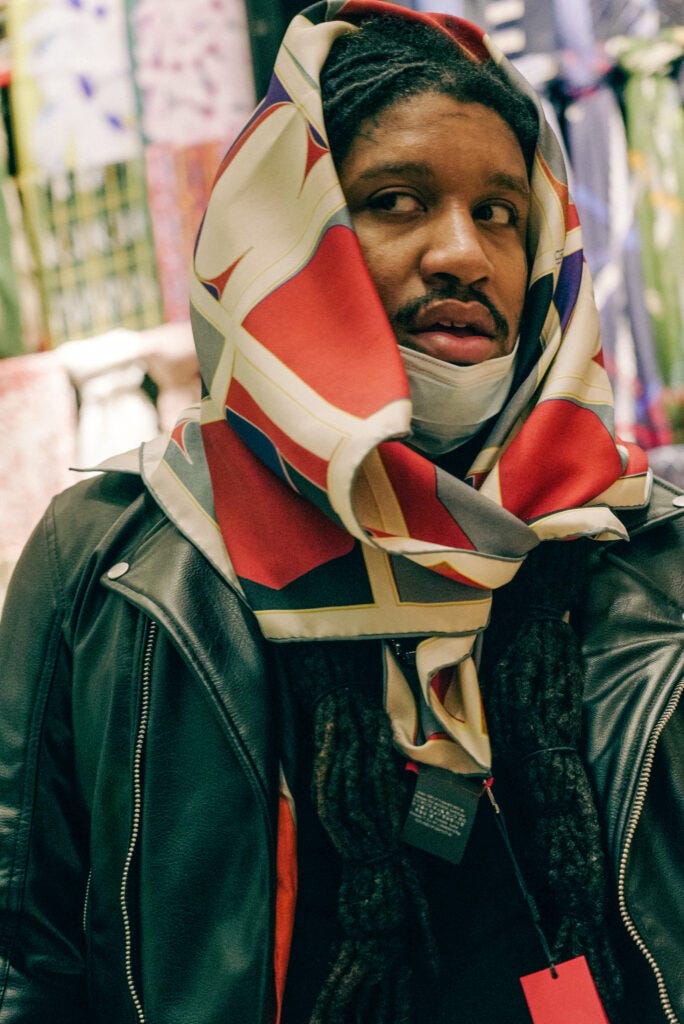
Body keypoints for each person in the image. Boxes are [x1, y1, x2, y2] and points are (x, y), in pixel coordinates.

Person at [0, 3, 681, 1022]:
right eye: (396, 201)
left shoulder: (640, 549)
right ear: (284, 232)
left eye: (502, 212)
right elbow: (26, 952)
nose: (464, 254)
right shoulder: (118, 558)